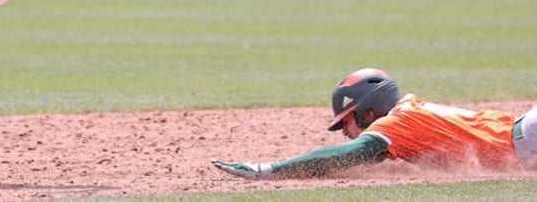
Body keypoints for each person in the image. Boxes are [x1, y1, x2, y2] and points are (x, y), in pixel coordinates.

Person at [212, 68, 537, 179]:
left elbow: (348, 155)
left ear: (368, 113)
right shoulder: (411, 114)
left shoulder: (398, 123)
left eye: (346, 123)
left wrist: (268, 169)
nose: (347, 134)